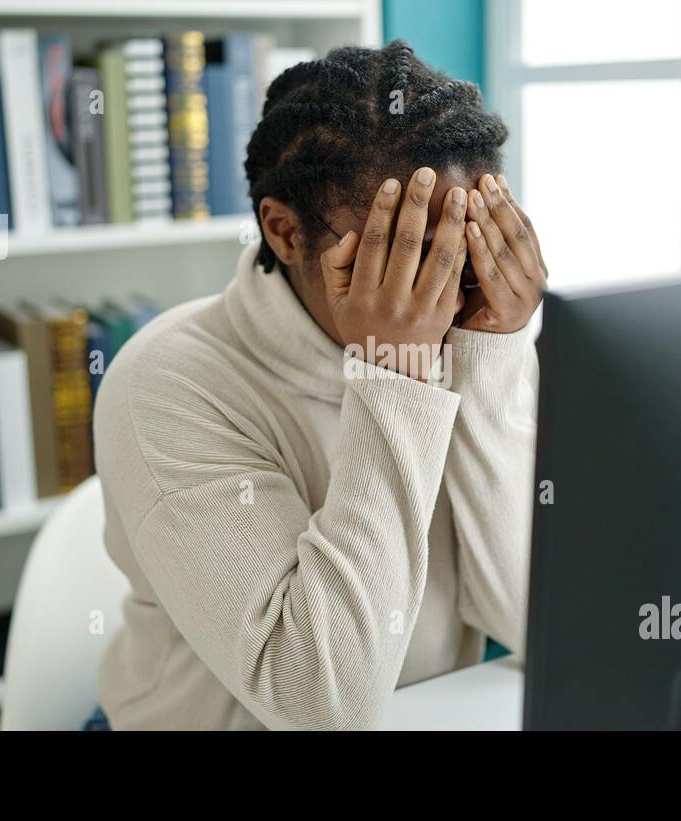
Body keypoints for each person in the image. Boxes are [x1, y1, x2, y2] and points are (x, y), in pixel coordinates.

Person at [93, 40, 548, 730]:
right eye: (403, 253)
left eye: (469, 246)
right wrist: (395, 374)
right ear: (284, 231)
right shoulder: (164, 383)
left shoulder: (468, 322)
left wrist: (491, 361)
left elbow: (531, 613)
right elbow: (321, 702)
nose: (445, 293)